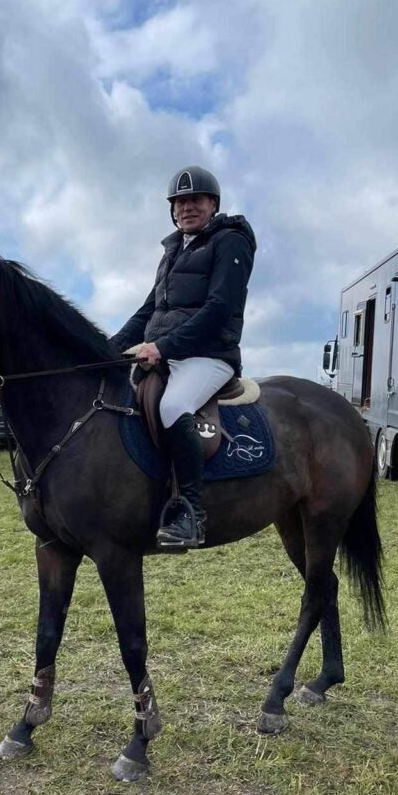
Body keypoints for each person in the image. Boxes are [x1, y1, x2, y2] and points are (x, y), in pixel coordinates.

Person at [110, 165, 256, 547]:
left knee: (173, 406)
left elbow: (220, 307)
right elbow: (148, 312)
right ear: (172, 210)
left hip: (209, 355)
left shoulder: (230, 241)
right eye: (180, 201)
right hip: (168, 354)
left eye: (195, 200)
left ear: (212, 204)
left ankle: (191, 512)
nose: (187, 207)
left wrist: (162, 347)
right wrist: (108, 349)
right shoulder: (174, 250)